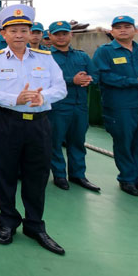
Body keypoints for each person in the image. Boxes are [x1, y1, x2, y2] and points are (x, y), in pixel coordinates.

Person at [0, 4, 67, 255]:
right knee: (7, 174)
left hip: (39, 123)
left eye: (23, 30)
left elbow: (60, 88)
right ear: (3, 34)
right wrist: (14, 99)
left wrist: (44, 97)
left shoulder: (46, 59)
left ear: (31, 33)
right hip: (7, 121)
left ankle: (35, 225)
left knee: (37, 175)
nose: (19, 35)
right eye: (13, 30)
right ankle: (7, 222)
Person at [92, 15, 138, 197]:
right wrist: (135, 81)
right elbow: (102, 76)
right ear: (112, 32)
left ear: (136, 30)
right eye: (118, 27)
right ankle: (127, 179)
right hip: (120, 106)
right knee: (124, 143)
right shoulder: (105, 52)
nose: (123, 30)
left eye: (127, 26)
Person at [48, 21, 100, 192]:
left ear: (71, 35)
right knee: (55, 142)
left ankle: (78, 175)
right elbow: (42, 80)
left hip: (79, 107)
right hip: (58, 107)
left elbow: (96, 75)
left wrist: (88, 79)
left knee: (78, 142)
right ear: (50, 36)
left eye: (64, 33)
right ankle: (59, 175)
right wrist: (72, 80)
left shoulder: (82, 56)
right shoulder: (46, 57)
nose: (61, 37)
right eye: (57, 34)